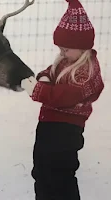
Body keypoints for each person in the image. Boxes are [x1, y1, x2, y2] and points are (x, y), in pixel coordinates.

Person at [20, 0, 105, 199]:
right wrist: (43, 78)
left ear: (82, 46)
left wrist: (38, 90)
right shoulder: (66, 61)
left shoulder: (87, 72)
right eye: (60, 48)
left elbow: (66, 96)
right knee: (41, 171)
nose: (62, 52)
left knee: (60, 175)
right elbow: (48, 72)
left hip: (67, 131)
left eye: (66, 48)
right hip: (48, 126)